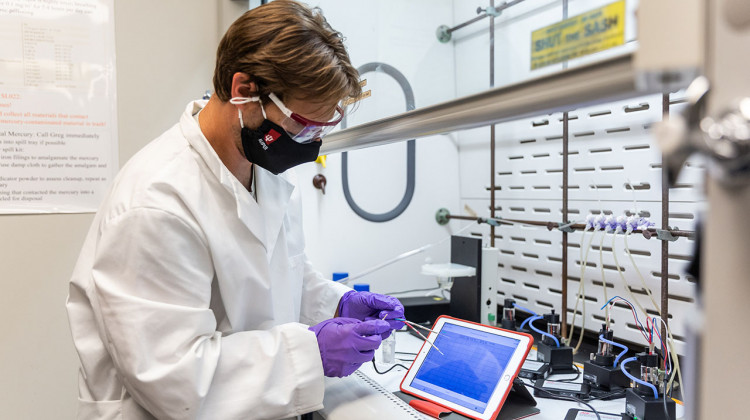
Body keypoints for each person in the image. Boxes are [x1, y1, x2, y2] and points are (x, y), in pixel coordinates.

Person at [66, 1, 405, 419]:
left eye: (321, 129)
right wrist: (312, 353)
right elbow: (176, 379)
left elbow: (278, 280)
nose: (309, 142)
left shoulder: (267, 173)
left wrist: (335, 305)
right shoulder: (157, 202)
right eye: (301, 123)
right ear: (243, 89)